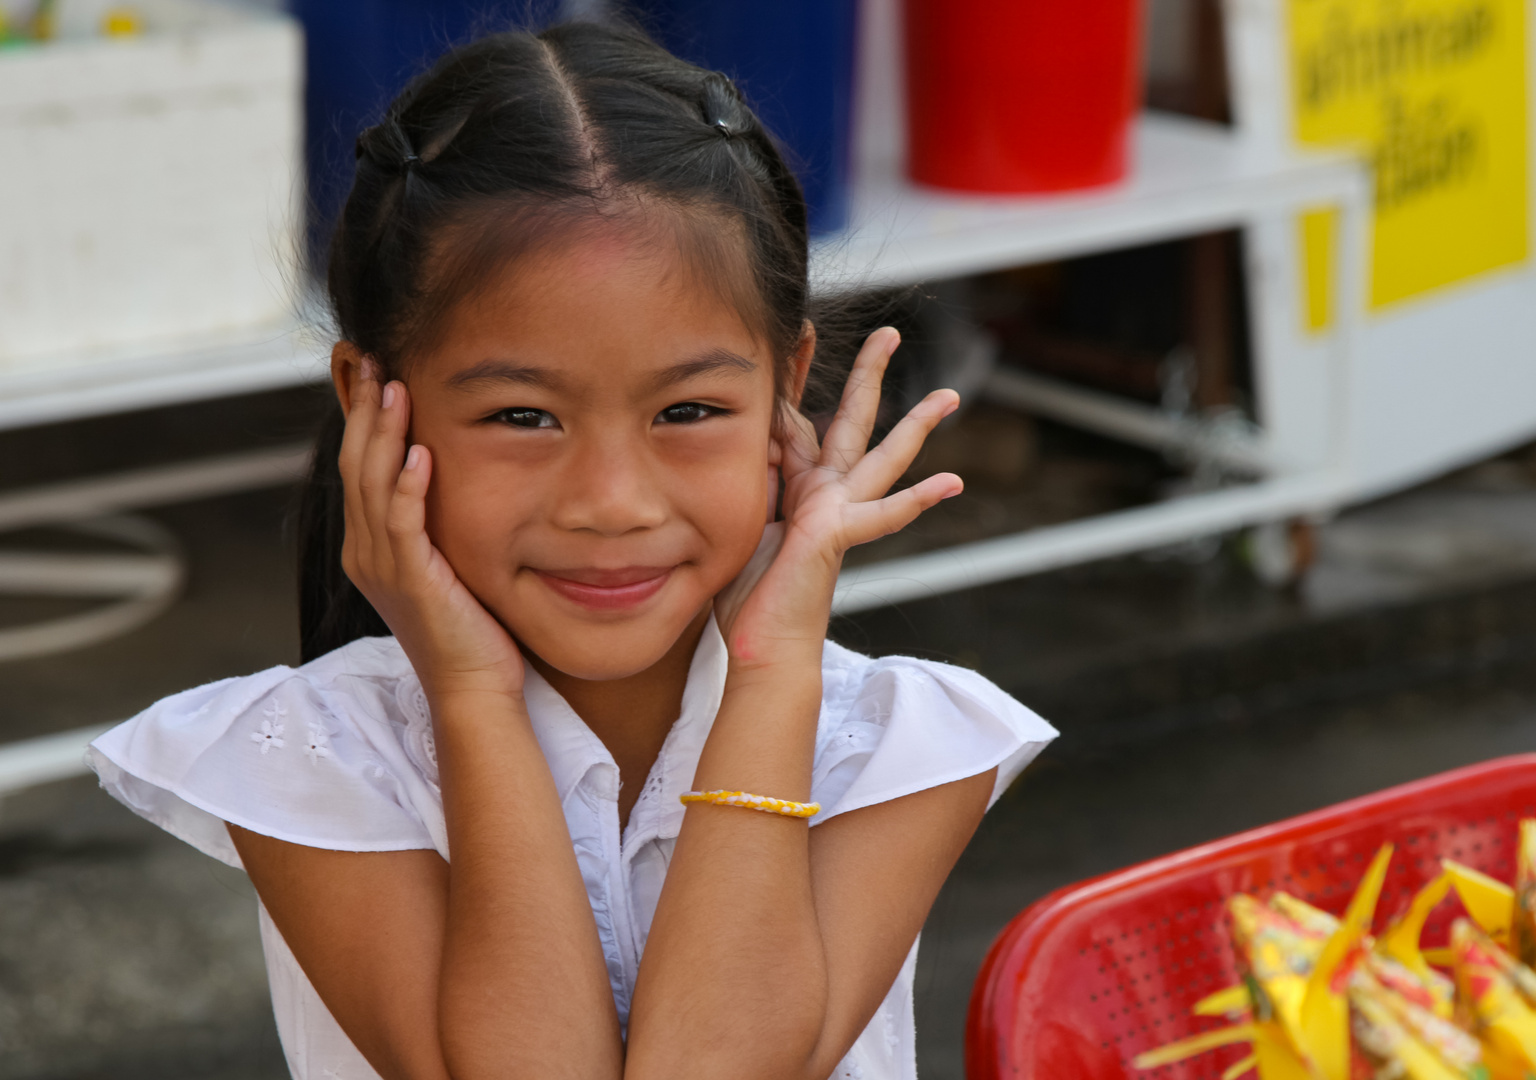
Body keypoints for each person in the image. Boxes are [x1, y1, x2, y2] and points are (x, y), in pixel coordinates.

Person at [85, 18, 1055, 1080]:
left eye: (687, 411)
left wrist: (775, 670)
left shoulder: (890, 747)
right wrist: (470, 694)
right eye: (522, 418)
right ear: (374, 407)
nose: (609, 503)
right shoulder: (315, 760)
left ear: (788, 388)